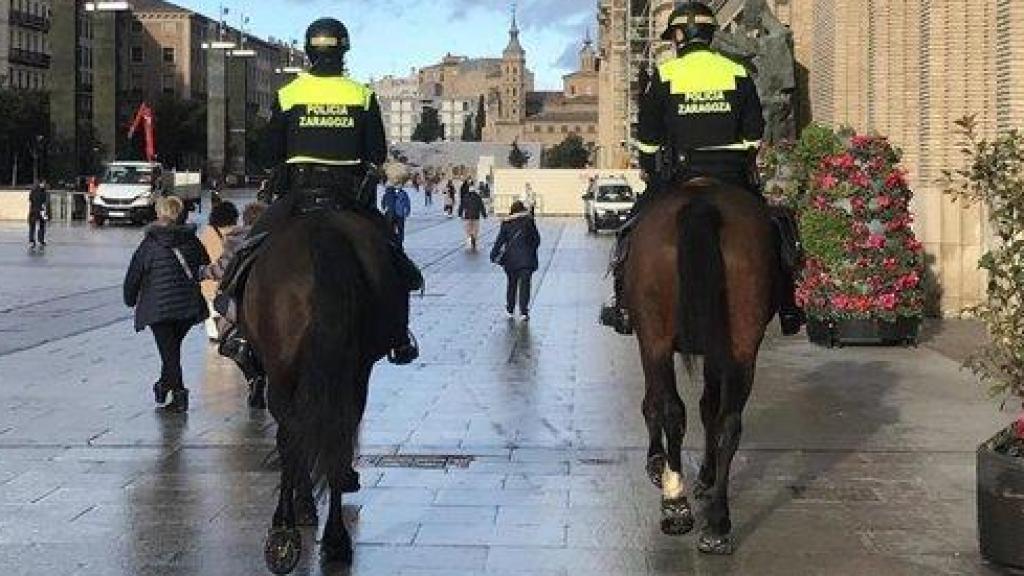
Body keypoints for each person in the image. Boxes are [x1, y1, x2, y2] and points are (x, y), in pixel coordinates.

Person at [216, 17, 421, 372]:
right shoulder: (362, 94)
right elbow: (375, 152)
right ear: (344, 51)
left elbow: (268, 153)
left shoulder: (289, 93)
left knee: (248, 252)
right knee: (392, 257)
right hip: (349, 197)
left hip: (299, 192)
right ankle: (400, 335)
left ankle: (240, 335)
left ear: (310, 51)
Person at [599, 1, 804, 336]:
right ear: (710, 34)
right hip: (732, 175)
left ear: (679, 35)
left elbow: (647, 139)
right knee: (779, 229)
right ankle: (789, 306)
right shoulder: (737, 72)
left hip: (678, 175)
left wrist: (652, 170)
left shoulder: (665, 75)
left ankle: (622, 305)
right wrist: (743, 157)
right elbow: (755, 132)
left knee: (630, 230)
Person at [123, 196, 210, 413]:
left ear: (160, 214)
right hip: (187, 307)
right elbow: (204, 264)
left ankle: (178, 395)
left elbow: (135, 273)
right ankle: (164, 385)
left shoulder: (149, 244)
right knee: (171, 350)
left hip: (158, 307)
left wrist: (130, 298)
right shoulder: (192, 240)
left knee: (169, 352)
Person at [202, 201, 268, 408]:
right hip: (267, 302)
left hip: (239, 303)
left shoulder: (238, 240)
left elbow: (222, 269)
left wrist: (202, 272)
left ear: (245, 219)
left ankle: (253, 378)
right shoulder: (276, 239)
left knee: (232, 342)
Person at [490, 201, 540, 320]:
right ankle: (523, 311)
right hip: (527, 260)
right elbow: (537, 240)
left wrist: (493, 254)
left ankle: (510, 309)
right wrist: (530, 250)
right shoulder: (529, 222)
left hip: (510, 260)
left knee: (512, 284)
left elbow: (499, 241)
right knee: (525, 285)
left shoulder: (506, 223)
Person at [199, 201, 240, 340]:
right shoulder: (238, 233)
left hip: (210, 286)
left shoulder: (207, 233)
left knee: (213, 334)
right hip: (232, 288)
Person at [459, 183, 487, 251]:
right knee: (475, 229)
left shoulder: (465, 196)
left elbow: (462, 206)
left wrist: (460, 213)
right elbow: (481, 206)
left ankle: (469, 238)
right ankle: (474, 237)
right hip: (476, 216)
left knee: (468, 229)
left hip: (467, 216)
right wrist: (484, 215)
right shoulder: (478, 197)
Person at [28, 180, 49, 249]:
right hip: (39, 211)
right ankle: (40, 241)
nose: (44, 185)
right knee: (41, 226)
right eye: (44, 183)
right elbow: (44, 202)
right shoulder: (43, 192)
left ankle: (32, 241)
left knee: (33, 227)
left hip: (33, 211)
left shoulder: (33, 191)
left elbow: (30, 200)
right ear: (41, 184)